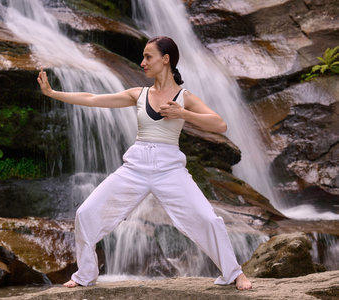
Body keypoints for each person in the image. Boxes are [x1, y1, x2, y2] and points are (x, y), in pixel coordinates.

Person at [37, 36, 252, 291]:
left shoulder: (185, 97)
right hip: (136, 167)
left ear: (166, 59)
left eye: (148, 57)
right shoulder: (138, 94)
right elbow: (93, 98)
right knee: (86, 213)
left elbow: (220, 124)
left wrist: (182, 113)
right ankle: (85, 274)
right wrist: (52, 93)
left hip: (170, 168)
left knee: (207, 219)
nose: (142, 63)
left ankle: (234, 273)